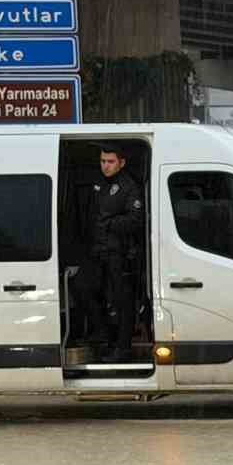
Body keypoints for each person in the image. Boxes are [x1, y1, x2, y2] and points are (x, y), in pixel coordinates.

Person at [89, 144, 145, 361]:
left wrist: (109, 224)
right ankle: (105, 337)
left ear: (121, 163)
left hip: (120, 254)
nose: (105, 166)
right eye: (103, 161)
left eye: (110, 161)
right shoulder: (99, 182)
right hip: (98, 251)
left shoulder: (129, 186)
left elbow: (136, 220)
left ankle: (122, 348)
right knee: (89, 290)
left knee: (122, 302)